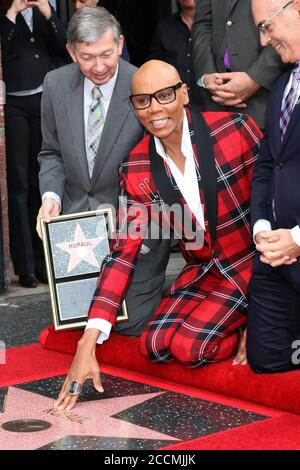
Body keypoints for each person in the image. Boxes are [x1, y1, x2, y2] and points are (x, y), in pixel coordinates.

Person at [54, 59, 262, 410]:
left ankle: (245, 325)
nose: (154, 109)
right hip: (203, 271)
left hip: (251, 264)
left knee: (191, 347)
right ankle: (230, 322)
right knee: (154, 344)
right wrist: (87, 342)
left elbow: (278, 201)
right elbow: (122, 252)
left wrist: (263, 312)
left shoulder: (234, 129)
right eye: (143, 101)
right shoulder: (136, 166)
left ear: (183, 95)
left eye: (164, 95)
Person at [37, 7, 170, 337]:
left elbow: (167, 162)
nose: (98, 66)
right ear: (71, 52)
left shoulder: (144, 84)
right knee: (78, 328)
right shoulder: (54, 85)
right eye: (87, 57)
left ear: (121, 44)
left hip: (136, 230)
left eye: (106, 54)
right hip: (78, 231)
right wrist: (51, 197)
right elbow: (51, 152)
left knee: (130, 327)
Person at [247, 0, 300, 373]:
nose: (264, 41)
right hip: (276, 256)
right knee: (264, 359)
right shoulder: (282, 85)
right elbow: (268, 165)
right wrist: (262, 227)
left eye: (267, 26)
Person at [0, 0, 68, 288]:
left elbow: (66, 47)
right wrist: (13, 13)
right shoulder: (6, 14)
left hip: (43, 100)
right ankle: (25, 266)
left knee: (42, 180)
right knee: (19, 184)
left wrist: (47, 12)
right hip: (15, 101)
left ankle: (44, 264)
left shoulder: (45, 12)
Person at [192, 0, 288, 129]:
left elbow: (287, 18)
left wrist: (255, 78)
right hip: (216, 101)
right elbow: (203, 23)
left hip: (265, 97)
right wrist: (207, 77)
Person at [147, 0, 203, 111]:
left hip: (208, 104)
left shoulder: (214, 26)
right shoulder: (164, 27)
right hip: (174, 105)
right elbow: (153, 67)